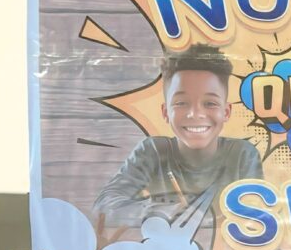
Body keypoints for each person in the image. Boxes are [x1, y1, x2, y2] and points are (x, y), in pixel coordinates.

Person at [94, 44, 262, 229]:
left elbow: (257, 216)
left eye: (210, 103)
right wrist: (161, 211)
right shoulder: (153, 151)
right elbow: (104, 207)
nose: (195, 114)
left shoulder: (242, 155)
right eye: (181, 103)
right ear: (166, 112)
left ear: (226, 112)